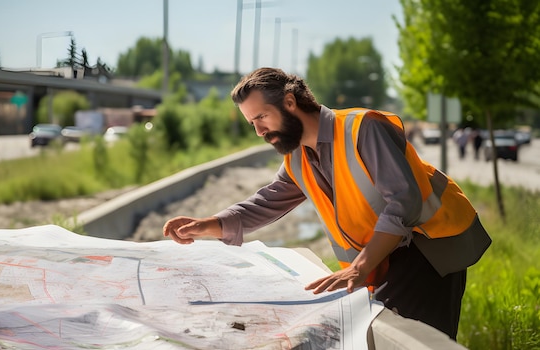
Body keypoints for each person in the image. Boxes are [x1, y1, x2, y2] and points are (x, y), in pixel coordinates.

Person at [162, 67, 491, 340]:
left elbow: (404, 202)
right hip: (382, 260)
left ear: (290, 102)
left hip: (427, 250)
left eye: (262, 117)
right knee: (374, 339)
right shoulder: (297, 158)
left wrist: (360, 266)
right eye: (252, 123)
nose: (259, 131)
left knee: (412, 344)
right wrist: (210, 224)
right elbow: (268, 200)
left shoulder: (364, 128)